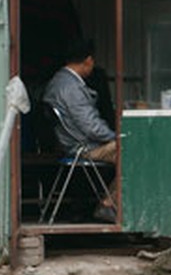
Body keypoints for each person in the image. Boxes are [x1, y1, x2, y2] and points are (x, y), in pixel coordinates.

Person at [42, 42, 118, 222]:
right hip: (83, 148)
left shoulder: (59, 82)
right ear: (88, 61)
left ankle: (111, 202)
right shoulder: (72, 88)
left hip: (72, 144)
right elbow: (91, 126)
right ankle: (108, 203)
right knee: (135, 151)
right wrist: (116, 137)